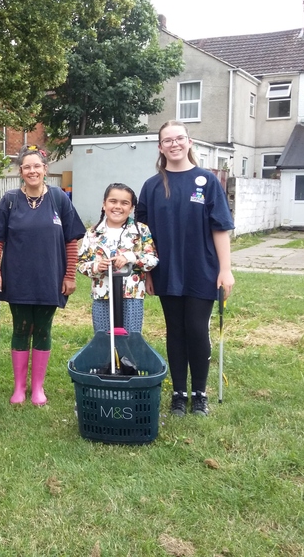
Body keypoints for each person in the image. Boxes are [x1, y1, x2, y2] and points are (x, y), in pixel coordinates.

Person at [137, 120, 235, 417]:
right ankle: (179, 394)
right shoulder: (152, 186)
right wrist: (147, 272)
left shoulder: (207, 181)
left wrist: (225, 269)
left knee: (195, 329)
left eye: (180, 138)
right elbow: (144, 235)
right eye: (168, 140)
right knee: (175, 331)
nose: (174, 144)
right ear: (160, 147)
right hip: (166, 271)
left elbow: (220, 228)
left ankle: (200, 393)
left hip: (202, 269)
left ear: (189, 142)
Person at [0, 146, 86, 406]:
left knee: (43, 328)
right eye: (27, 167)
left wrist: (70, 275)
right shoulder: (9, 200)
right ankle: (19, 388)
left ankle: (37, 389)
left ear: (45, 169)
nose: (32, 171)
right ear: (21, 171)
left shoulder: (59, 199)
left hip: (49, 278)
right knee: (21, 329)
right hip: (17, 278)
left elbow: (71, 240)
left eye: (37, 166)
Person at [77, 183, 159, 333]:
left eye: (124, 203)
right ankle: (107, 358)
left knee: (130, 339)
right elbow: (81, 263)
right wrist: (96, 266)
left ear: (132, 208)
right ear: (104, 204)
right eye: (113, 201)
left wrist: (131, 257)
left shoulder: (141, 230)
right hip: (102, 294)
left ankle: (128, 358)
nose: (118, 207)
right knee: (103, 340)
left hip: (132, 295)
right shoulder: (92, 233)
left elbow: (152, 259)